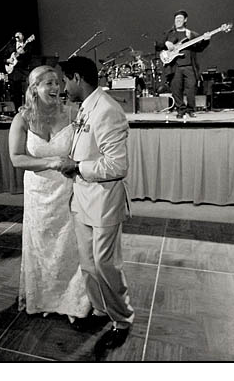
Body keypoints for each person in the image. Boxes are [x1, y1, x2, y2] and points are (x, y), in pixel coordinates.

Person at [59, 55, 135, 352]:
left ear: (77, 78)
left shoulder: (107, 110)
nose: (64, 86)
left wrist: (77, 167)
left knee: (106, 265)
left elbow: (117, 166)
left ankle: (123, 320)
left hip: (103, 200)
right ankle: (102, 310)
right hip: (83, 199)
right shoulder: (85, 108)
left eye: (65, 80)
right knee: (89, 265)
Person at [8, 66, 91, 322]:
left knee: (68, 246)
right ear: (34, 89)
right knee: (42, 244)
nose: (56, 88)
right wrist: (52, 162)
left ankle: (73, 301)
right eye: (49, 83)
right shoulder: (21, 119)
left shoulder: (73, 114)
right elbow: (16, 158)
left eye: (58, 82)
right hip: (37, 193)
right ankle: (43, 297)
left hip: (67, 190)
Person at [155, 10, 212, 118]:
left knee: (191, 89)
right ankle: (181, 110)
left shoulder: (191, 34)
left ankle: (191, 110)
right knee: (176, 90)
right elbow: (158, 45)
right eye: (176, 19)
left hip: (189, 66)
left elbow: (199, 48)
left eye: (180, 19)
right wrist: (166, 43)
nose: (178, 21)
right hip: (174, 67)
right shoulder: (169, 33)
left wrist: (206, 40)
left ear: (185, 20)